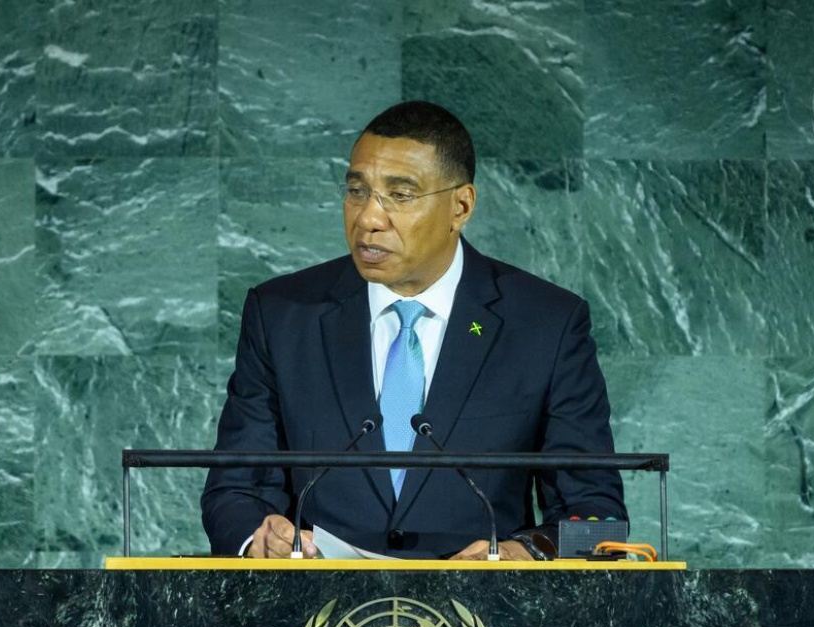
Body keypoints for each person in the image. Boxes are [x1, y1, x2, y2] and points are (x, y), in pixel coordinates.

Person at [201, 101, 627, 560]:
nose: (368, 218)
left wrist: (530, 550)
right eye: (356, 191)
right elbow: (236, 490)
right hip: (317, 617)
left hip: (488, 618)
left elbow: (596, 514)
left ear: (460, 206)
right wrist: (258, 539)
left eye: (400, 195)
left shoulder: (547, 324)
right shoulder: (282, 314)